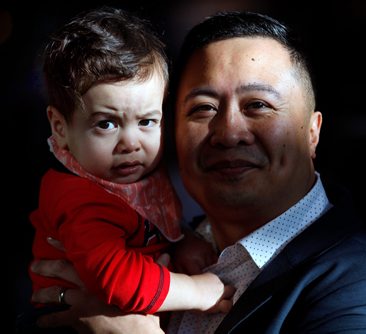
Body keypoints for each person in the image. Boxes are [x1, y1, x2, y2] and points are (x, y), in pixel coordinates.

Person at [29, 10, 366, 333]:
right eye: (202, 109)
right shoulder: (162, 239)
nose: (228, 132)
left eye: (257, 105)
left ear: (312, 133)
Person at [19, 6, 234, 333]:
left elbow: (146, 229)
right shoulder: (81, 197)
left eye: (147, 121)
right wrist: (197, 290)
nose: (130, 143)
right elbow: (117, 278)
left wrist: (181, 240)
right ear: (60, 127)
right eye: (106, 124)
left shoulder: (134, 174)